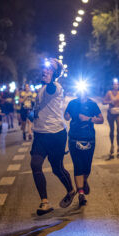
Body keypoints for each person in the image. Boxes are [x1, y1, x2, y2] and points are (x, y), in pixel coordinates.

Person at [30, 58, 75, 216]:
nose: (45, 70)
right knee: (35, 165)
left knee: (57, 168)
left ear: (55, 73)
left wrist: (50, 79)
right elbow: (38, 110)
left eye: (50, 69)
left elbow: (50, 87)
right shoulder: (41, 89)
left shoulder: (54, 87)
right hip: (40, 134)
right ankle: (45, 202)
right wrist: (30, 114)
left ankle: (70, 190)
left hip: (56, 134)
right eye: (45, 68)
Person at [64, 81, 104, 206]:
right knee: (78, 165)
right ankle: (81, 193)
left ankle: (84, 181)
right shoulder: (72, 103)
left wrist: (89, 119)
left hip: (89, 138)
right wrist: (66, 114)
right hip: (74, 137)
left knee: (87, 167)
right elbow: (66, 117)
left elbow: (101, 119)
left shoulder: (92, 104)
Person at [103, 78, 119, 159]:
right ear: (112, 85)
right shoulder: (109, 93)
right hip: (111, 113)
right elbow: (103, 101)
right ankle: (112, 146)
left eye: (117, 84)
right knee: (112, 129)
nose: (116, 85)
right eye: (114, 84)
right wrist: (110, 102)